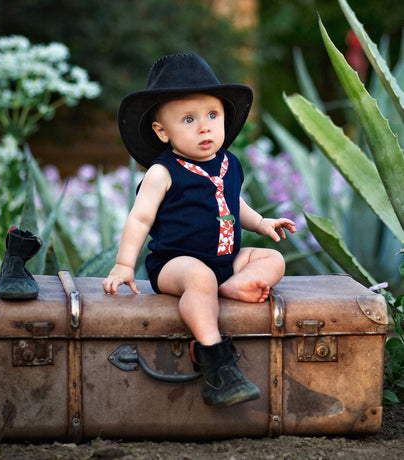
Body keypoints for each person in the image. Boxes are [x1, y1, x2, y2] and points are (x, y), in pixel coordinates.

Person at [103, 54, 296, 408]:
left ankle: (229, 284)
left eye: (212, 115)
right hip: (176, 265)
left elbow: (234, 205)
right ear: (162, 131)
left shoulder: (229, 163)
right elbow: (140, 220)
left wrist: (262, 223)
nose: (204, 127)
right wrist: (124, 265)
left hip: (224, 260)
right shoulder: (163, 173)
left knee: (271, 259)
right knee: (198, 276)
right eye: (188, 119)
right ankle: (215, 360)